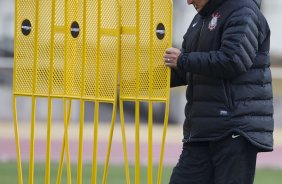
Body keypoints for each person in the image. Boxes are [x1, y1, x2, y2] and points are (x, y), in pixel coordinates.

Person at [164, 0, 274, 183]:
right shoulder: (200, 18)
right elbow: (186, 70)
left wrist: (183, 60)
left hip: (234, 129)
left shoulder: (242, 9)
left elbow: (233, 60)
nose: (188, 1)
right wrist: (137, 82)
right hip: (202, 131)